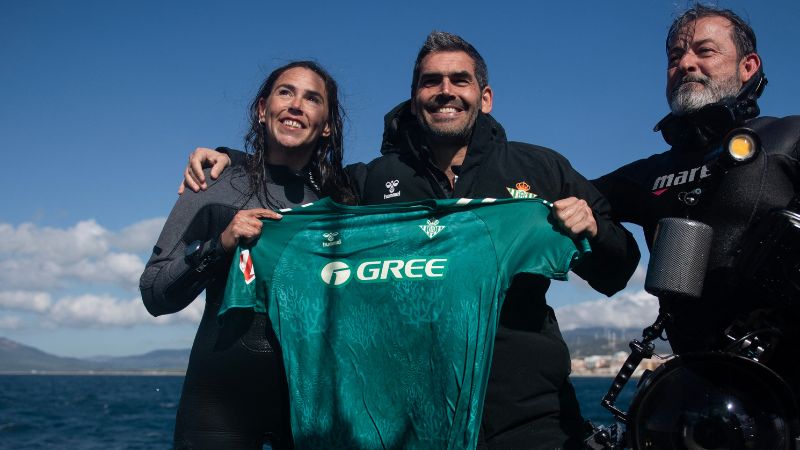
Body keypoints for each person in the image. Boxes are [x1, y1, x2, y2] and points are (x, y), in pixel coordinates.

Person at [183, 32, 640, 449]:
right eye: (430, 81)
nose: (445, 91)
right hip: (404, 416)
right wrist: (236, 161)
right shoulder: (369, 182)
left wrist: (594, 230)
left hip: (527, 415)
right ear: (415, 96)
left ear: (485, 97)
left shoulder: (541, 169)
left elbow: (616, 271)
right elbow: (296, 196)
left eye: (459, 80)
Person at [140, 60, 357, 449]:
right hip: (218, 407)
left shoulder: (344, 202)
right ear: (262, 109)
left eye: (312, 98)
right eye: (285, 92)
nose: (295, 105)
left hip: (310, 408)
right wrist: (219, 244)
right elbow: (155, 294)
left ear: (326, 124)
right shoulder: (213, 184)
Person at [592, 5, 800, 392]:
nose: (686, 64)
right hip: (695, 398)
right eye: (675, 56)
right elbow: (559, 192)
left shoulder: (788, 140)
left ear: (748, 66)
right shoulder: (647, 174)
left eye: (705, 51)